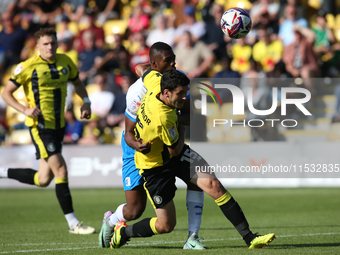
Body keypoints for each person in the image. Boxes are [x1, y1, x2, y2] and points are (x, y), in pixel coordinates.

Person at [108, 69, 275, 249]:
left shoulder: (156, 81)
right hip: (155, 165)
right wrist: (182, 129)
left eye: (186, 92)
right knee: (165, 225)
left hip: (169, 153)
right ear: (166, 93)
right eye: (180, 94)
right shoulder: (163, 118)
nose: (184, 97)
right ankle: (123, 232)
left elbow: (145, 70)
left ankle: (249, 237)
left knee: (214, 185)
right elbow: (176, 149)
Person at [99, 42, 207, 250]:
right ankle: (112, 221)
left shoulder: (178, 80)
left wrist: (173, 120)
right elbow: (128, 132)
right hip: (136, 149)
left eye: (174, 58)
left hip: (165, 148)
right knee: (134, 210)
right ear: (155, 65)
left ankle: (193, 236)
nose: (174, 63)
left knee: (197, 179)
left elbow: (190, 115)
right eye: (169, 61)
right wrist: (136, 145)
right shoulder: (136, 93)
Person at [0, 27, 95, 234]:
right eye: (45, 44)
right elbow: (7, 93)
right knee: (60, 169)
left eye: (52, 42)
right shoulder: (27, 66)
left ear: (57, 43)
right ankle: (73, 223)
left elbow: (78, 83)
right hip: (40, 126)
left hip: (59, 126)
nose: (50, 47)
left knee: (43, 179)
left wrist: (86, 102)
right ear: (37, 46)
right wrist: (24, 109)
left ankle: (2, 172)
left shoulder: (65, 62)